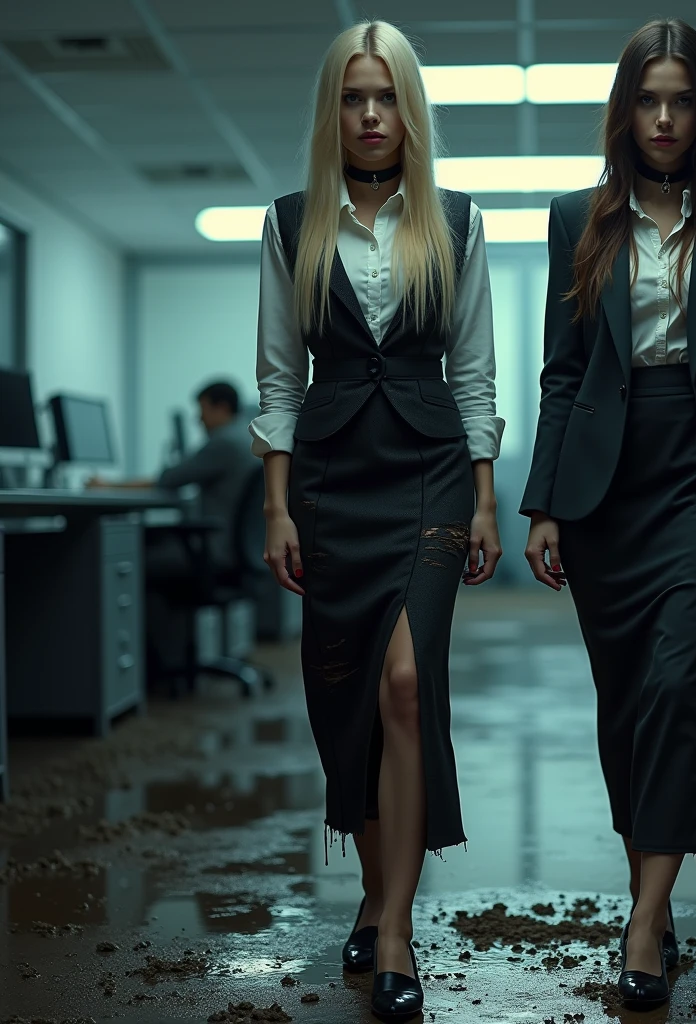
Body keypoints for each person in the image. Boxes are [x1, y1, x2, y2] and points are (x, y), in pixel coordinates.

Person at [520, 18, 696, 1013]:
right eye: (648, 98)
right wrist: (542, 500)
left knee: (685, 682)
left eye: (681, 99)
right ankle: (654, 892)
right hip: (605, 482)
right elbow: (559, 370)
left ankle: (642, 919)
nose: (665, 117)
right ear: (623, 109)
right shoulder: (575, 219)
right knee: (630, 699)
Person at [250, 21, 503, 1023]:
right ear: (333, 111)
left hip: (433, 468)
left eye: (386, 96)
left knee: (405, 681)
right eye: (353, 98)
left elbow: (474, 373)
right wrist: (274, 505)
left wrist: (484, 493)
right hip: (328, 475)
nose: (368, 115)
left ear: (410, 109)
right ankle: (374, 889)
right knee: (346, 696)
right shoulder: (287, 223)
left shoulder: (458, 219)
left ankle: (394, 927)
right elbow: (279, 377)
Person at [87, 380, 253, 570]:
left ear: (222, 408)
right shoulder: (246, 437)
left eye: (203, 411)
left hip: (215, 551)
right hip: (236, 549)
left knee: (130, 556)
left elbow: (167, 480)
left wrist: (109, 486)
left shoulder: (225, 442)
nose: (199, 419)